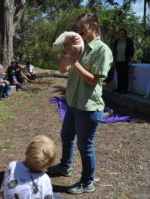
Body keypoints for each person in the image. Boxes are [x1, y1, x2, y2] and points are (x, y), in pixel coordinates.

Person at [48, 13, 113, 194]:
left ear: (94, 26)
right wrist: (66, 52)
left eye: (82, 28)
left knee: (85, 146)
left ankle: (87, 182)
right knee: (66, 136)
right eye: (77, 28)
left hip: (89, 107)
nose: (78, 32)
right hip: (73, 103)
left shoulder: (102, 50)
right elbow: (62, 69)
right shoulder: (79, 46)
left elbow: (92, 81)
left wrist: (75, 62)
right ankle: (65, 167)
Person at [0, 135, 64, 199]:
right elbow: (47, 197)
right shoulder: (45, 179)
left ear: (27, 151)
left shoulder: (12, 165)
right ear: (48, 164)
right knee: (60, 197)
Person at [112, 28, 134, 94]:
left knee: (125, 76)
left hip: (125, 61)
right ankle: (119, 88)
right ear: (118, 34)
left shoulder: (129, 40)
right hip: (118, 61)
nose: (122, 34)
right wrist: (113, 61)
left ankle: (124, 90)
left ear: (125, 34)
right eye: (120, 33)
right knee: (119, 75)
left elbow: (132, 51)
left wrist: (130, 61)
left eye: (123, 33)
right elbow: (114, 52)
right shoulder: (116, 41)